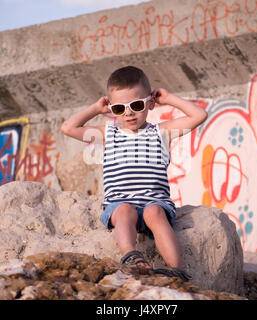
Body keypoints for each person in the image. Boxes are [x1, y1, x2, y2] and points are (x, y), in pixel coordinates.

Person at [61, 66, 207, 281]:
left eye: (136, 105)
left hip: (154, 202)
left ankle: (176, 269)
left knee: (155, 214)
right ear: (111, 109)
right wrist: (95, 108)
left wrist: (169, 98)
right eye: (119, 108)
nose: (128, 112)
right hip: (120, 203)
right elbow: (68, 128)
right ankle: (131, 255)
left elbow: (199, 115)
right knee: (124, 212)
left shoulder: (160, 132)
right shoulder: (108, 133)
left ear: (149, 103)